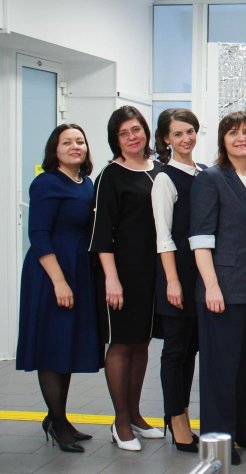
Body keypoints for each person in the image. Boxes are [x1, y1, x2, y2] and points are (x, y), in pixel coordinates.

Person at [189, 111, 246, 466]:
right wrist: (211, 286)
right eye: (233, 133)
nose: (241, 138)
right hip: (223, 288)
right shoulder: (211, 179)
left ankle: (241, 430)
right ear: (223, 140)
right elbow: (200, 238)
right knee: (220, 370)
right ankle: (218, 440)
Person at [17, 124, 101, 453]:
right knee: (52, 348)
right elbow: (38, 235)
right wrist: (59, 281)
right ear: (55, 149)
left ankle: (58, 418)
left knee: (65, 345)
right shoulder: (46, 183)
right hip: (51, 273)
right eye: (67, 142)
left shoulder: (86, 183)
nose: (75, 146)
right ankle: (57, 422)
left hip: (78, 270)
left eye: (80, 141)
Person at [90, 106, 164, 452]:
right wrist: (111, 279)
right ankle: (120, 422)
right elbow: (101, 234)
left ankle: (135, 414)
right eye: (124, 133)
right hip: (122, 274)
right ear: (115, 140)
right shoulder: (111, 176)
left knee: (142, 343)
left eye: (136, 130)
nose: (132, 137)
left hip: (155, 274)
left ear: (146, 131)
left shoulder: (159, 170)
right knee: (121, 343)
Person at [152, 108, 205, 453]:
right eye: (177, 134)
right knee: (174, 351)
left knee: (190, 350)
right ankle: (176, 419)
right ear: (166, 139)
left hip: (201, 276)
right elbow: (164, 236)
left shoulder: (204, 173)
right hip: (177, 275)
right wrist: (172, 281)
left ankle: (182, 413)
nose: (185, 139)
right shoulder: (164, 179)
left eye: (190, 131)